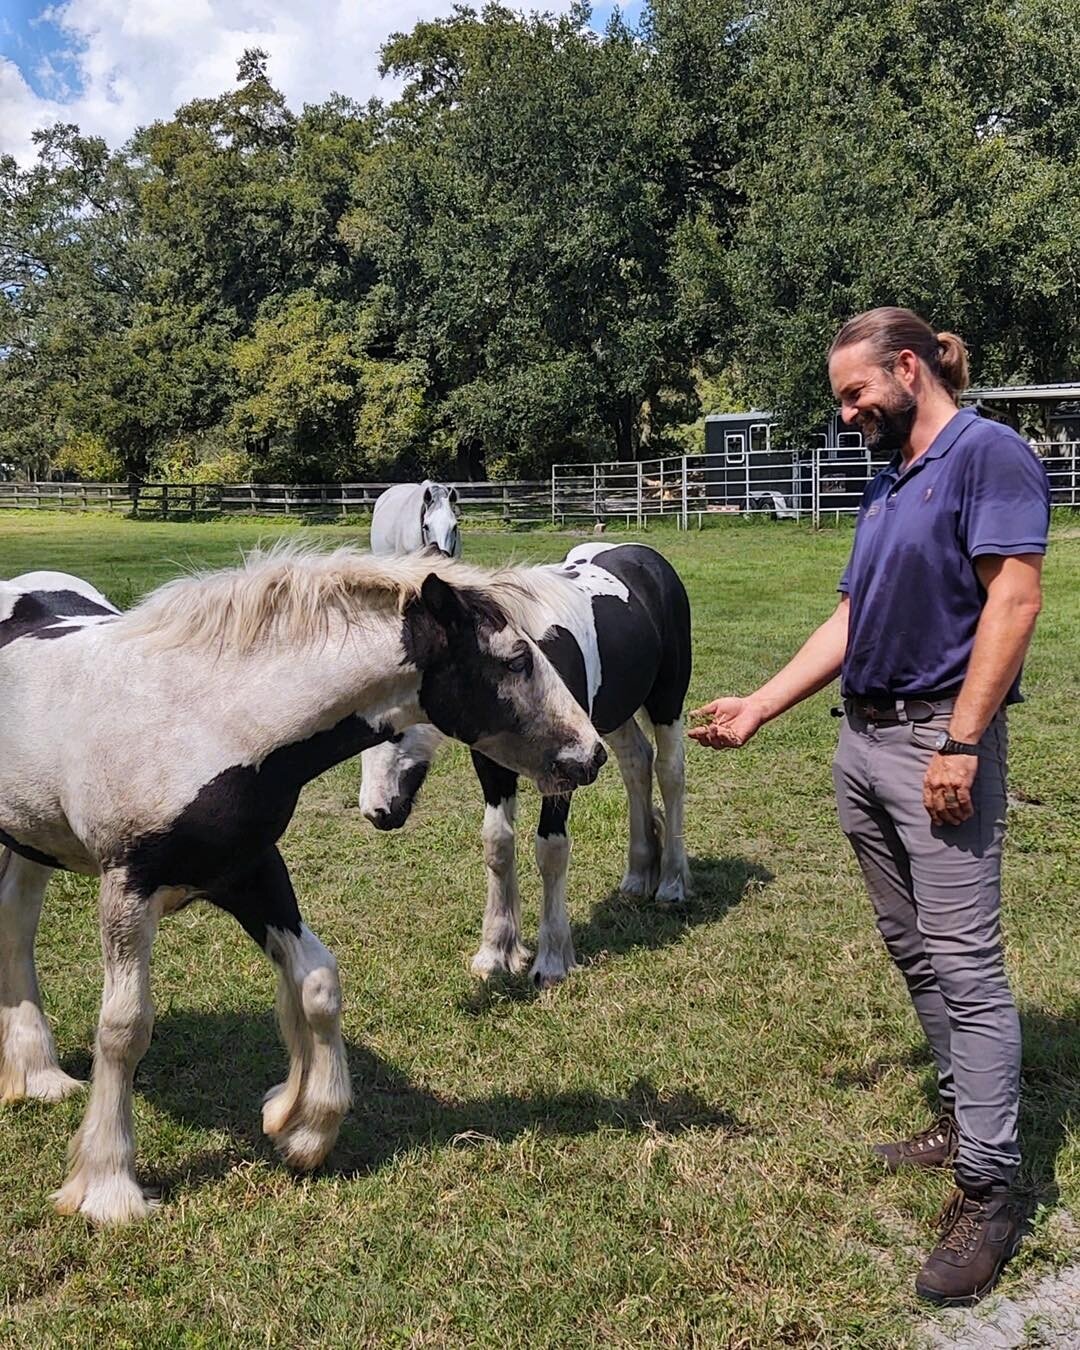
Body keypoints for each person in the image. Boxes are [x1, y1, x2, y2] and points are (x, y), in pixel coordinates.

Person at [690, 307, 1050, 1306]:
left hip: (939, 739)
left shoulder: (990, 456)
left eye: (856, 394)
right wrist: (763, 704)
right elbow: (855, 612)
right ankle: (957, 1118)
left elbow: (1015, 601)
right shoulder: (892, 476)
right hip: (865, 739)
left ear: (907, 366)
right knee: (914, 945)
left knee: (967, 963)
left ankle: (991, 1190)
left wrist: (965, 742)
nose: (848, 414)